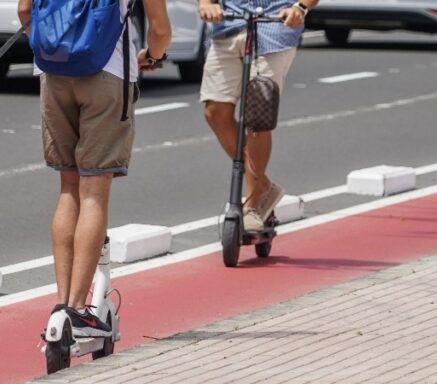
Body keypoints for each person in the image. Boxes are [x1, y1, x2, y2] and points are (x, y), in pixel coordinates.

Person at [17, 0, 171, 336]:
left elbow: (25, 9)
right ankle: (76, 311)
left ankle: (60, 305)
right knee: (93, 191)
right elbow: (160, 29)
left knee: (68, 187)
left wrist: (47, 44)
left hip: (53, 73)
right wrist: (152, 56)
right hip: (106, 74)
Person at [198, 0, 317, 231]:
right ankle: (262, 184)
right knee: (215, 110)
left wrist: (300, 7)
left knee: (257, 118)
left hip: (275, 27)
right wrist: (206, 3)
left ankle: (253, 203)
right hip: (228, 24)